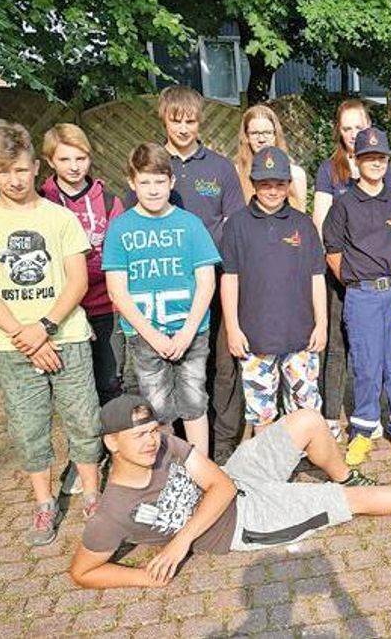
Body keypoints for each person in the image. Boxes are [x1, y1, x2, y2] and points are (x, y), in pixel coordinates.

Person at [69, 394, 391, 589]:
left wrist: (180, 541)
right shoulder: (112, 513)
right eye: (138, 434)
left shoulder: (164, 445)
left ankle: (346, 473)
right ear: (111, 443)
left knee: (308, 419)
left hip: (237, 481)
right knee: (354, 505)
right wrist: (143, 579)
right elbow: (83, 572)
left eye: (152, 429)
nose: (151, 440)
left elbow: (219, 482)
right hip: (246, 523)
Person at [0, 120, 103, 545]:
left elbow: (77, 281)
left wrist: (44, 327)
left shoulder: (59, 219)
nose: (14, 180)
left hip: (67, 336)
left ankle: (93, 494)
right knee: (27, 425)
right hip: (12, 345)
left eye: (21, 170)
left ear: (36, 167)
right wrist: (24, 336)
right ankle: (44, 504)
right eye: (3, 171)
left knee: (83, 417)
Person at [125, 85, 247, 465]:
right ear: (163, 118)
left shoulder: (220, 167)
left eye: (190, 120)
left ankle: (222, 442)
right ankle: (175, 445)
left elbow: (233, 222)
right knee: (167, 370)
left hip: (215, 279)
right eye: (176, 120)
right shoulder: (153, 168)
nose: (183, 128)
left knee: (221, 365)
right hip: (168, 286)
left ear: (200, 121)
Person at [103, 143, 221, 455]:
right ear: (132, 182)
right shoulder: (120, 229)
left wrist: (187, 331)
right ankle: (168, 470)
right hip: (145, 335)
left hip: (191, 331)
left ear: (171, 181)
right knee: (157, 406)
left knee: (194, 400)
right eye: (145, 182)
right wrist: (153, 336)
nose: (153, 190)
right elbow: (117, 290)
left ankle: (199, 466)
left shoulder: (190, 224)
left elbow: (206, 281)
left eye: (159, 181)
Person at [322, 128, 391, 465]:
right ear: (356, 160)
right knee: (365, 365)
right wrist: (355, 281)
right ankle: (363, 432)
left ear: (387, 161)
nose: (375, 163)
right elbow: (333, 251)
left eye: (381, 157)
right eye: (368, 157)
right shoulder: (344, 204)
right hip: (362, 295)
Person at [220, 146, 327, 434]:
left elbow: (317, 276)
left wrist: (322, 323)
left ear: (288, 186)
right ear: (254, 183)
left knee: (305, 407)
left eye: (279, 184)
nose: (272, 191)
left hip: (300, 335)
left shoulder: (303, 225)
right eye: (265, 184)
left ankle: (305, 461)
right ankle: (268, 472)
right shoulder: (237, 225)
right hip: (255, 338)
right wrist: (233, 328)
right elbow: (229, 278)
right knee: (261, 410)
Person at [312, 100, 391, 442]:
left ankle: (374, 412)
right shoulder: (328, 169)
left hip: (374, 276)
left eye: (358, 127)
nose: (352, 134)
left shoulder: (383, 167)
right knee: (337, 347)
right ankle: (331, 415)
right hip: (340, 273)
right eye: (346, 128)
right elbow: (321, 221)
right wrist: (343, 272)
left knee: (377, 345)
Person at [40, 123, 125, 406]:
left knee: (110, 383)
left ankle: (114, 446)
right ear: (50, 161)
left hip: (105, 309)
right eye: (65, 159)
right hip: (61, 311)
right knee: (73, 391)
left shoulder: (110, 201)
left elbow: (117, 258)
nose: (74, 167)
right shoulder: (41, 204)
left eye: (81, 158)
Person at [234, 104, 307, 210]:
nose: (262, 139)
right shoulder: (235, 174)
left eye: (267, 133)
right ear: (246, 137)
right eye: (255, 133)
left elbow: (301, 219)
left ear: (275, 135)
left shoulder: (296, 175)